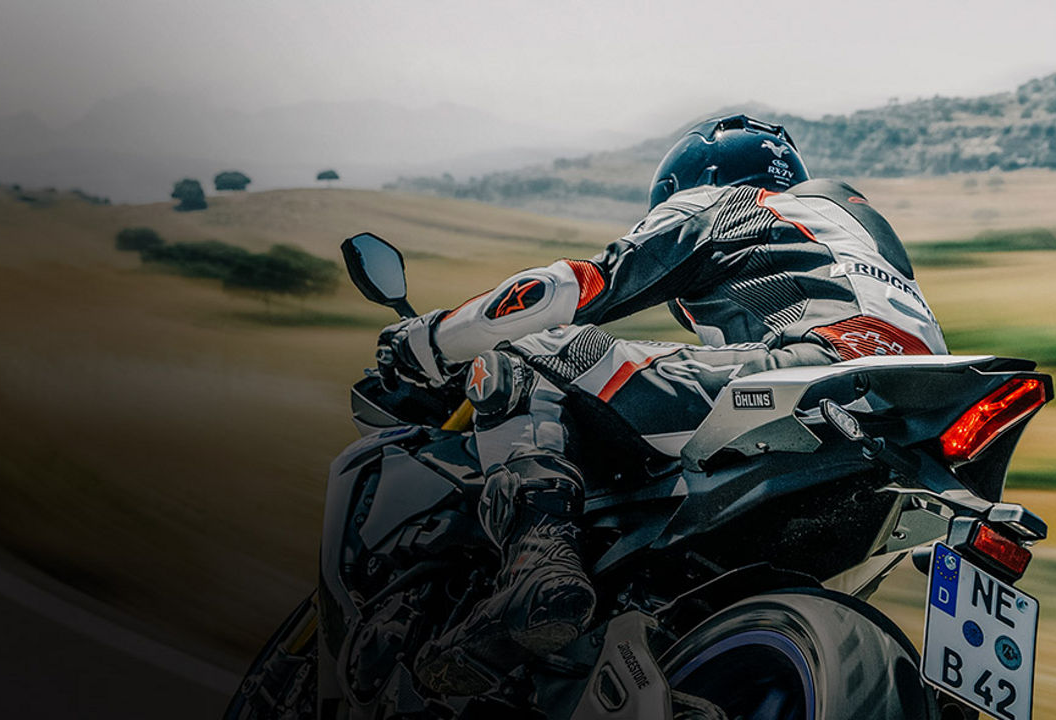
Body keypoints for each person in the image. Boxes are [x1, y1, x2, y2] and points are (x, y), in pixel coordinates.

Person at [375, 114, 946, 694]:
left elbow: (564, 291)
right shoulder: (862, 237)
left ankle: (538, 561)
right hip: (916, 418)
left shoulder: (723, 202)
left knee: (529, 352)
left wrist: (429, 340)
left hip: (813, 377)